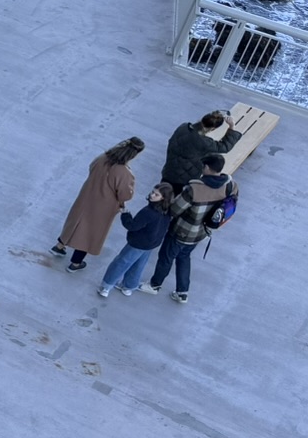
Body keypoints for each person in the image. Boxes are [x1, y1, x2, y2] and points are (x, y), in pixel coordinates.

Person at [146, 154, 232, 304]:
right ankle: (182, 292)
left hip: (181, 232)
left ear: (206, 167)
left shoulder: (194, 189)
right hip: (201, 233)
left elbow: (174, 210)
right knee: (184, 258)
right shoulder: (230, 185)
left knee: (166, 257)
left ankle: (155, 285)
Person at [53, 136, 144, 270]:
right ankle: (75, 263)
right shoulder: (124, 172)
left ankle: (59, 246)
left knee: (75, 221)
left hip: (87, 195)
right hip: (104, 205)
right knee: (90, 232)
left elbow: (91, 168)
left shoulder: (103, 158)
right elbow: (125, 194)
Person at [96, 185, 172, 297]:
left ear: (162, 198)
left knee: (121, 263)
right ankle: (128, 287)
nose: (152, 195)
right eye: (152, 192)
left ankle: (106, 287)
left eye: (156, 194)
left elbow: (132, 226)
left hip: (138, 243)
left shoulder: (148, 212)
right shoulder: (167, 212)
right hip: (151, 244)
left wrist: (125, 214)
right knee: (138, 265)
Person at [160, 109, 238, 193]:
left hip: (169, 170)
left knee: (161, 193)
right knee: (174, 199)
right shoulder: (205, 143)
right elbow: (225, 147)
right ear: (212, 128)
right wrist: (232, 127)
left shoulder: (183, 127)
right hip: (185, 179)